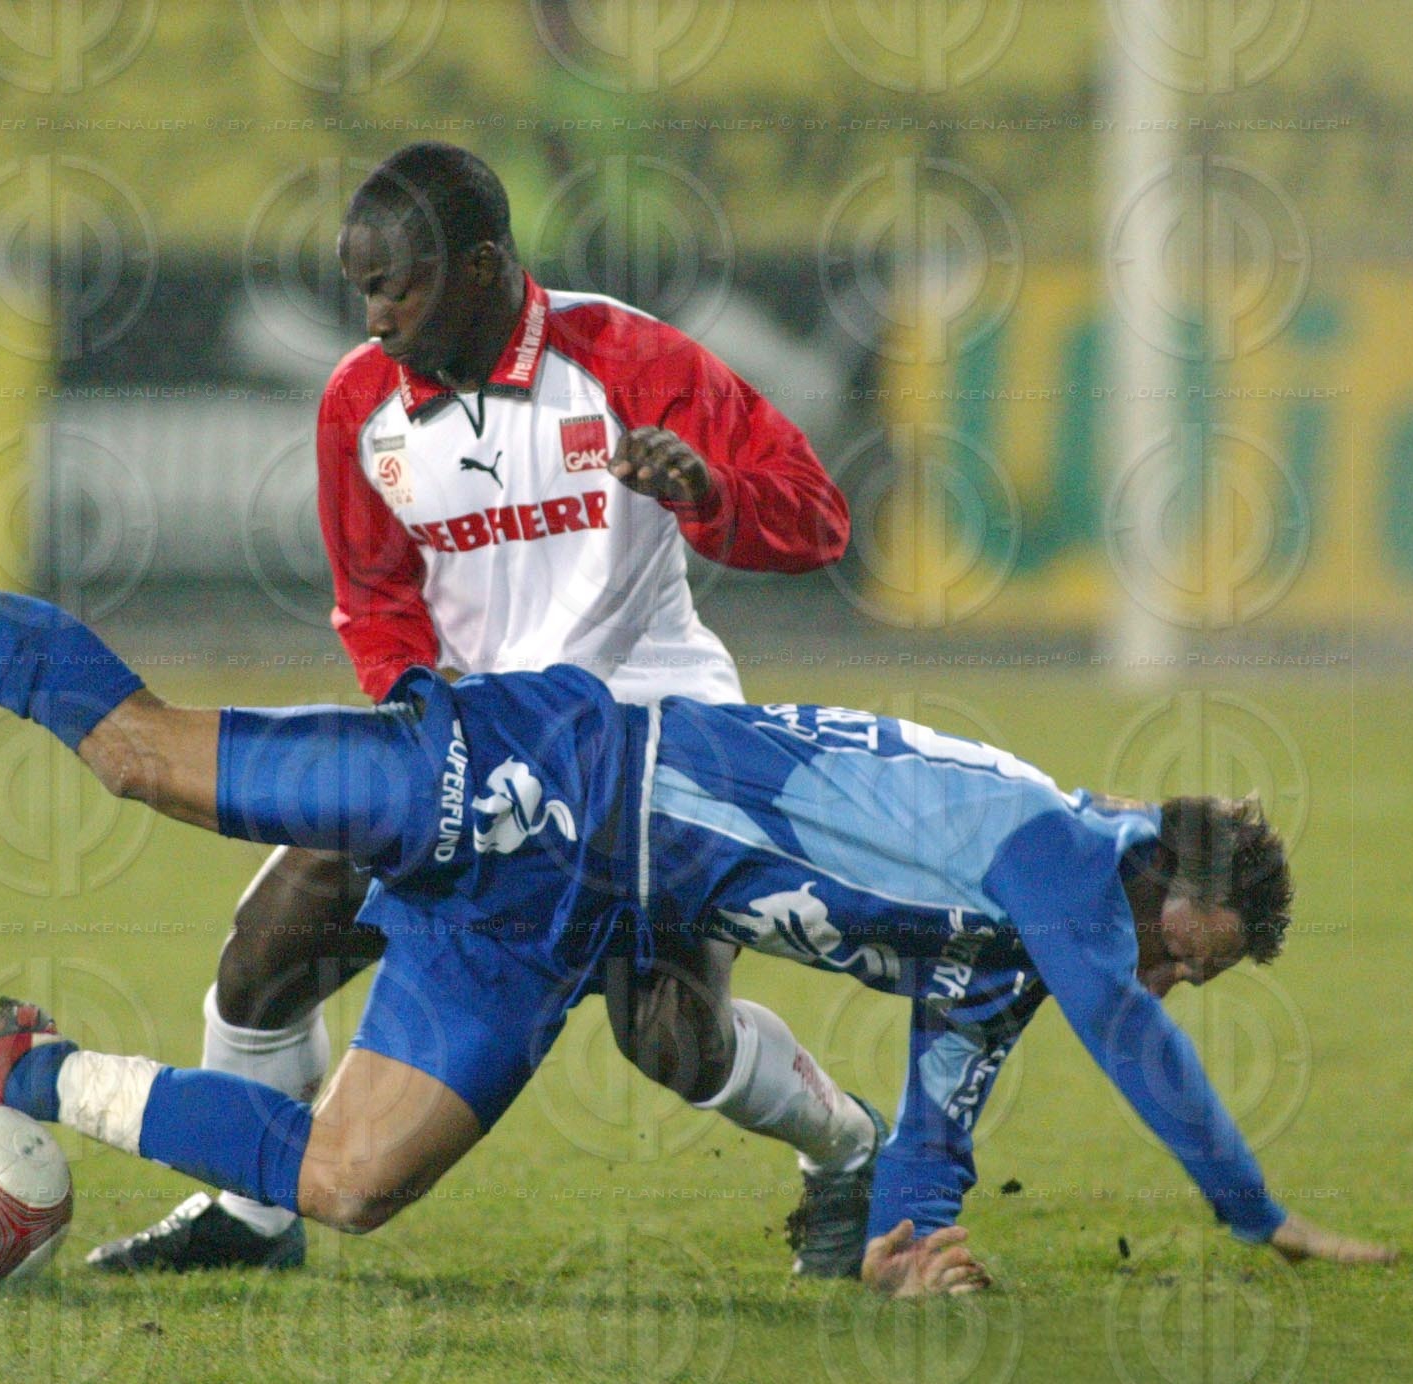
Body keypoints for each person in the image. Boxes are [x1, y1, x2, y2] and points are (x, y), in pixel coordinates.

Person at [0, 509, 1396, 1296]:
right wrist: (1253, 1207)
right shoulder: (1040, 845)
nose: (1167, 975)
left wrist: (909, 1234)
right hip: (556, 770)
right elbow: (1115, 1017)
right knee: (148, 760)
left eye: (1190, 971)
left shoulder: (1011, 964)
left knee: (346, 1184)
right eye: (1184, 947)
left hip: (568, 912)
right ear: (1156, 878)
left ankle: (26, 1073)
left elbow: (944, 1125)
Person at [115, 141, 857, 1273]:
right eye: (361, 290)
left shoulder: (628, 357)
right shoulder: (360, 406)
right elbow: (373, 599)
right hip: (471, 748)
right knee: (268, 949)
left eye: (394, 287)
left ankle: (847, 1155)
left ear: (480, 267)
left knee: (672, 1037)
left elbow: (815, 518)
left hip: (643, 741)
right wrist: (413, 696)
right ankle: (249, 1213)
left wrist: (708, 495)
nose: (374, 318)